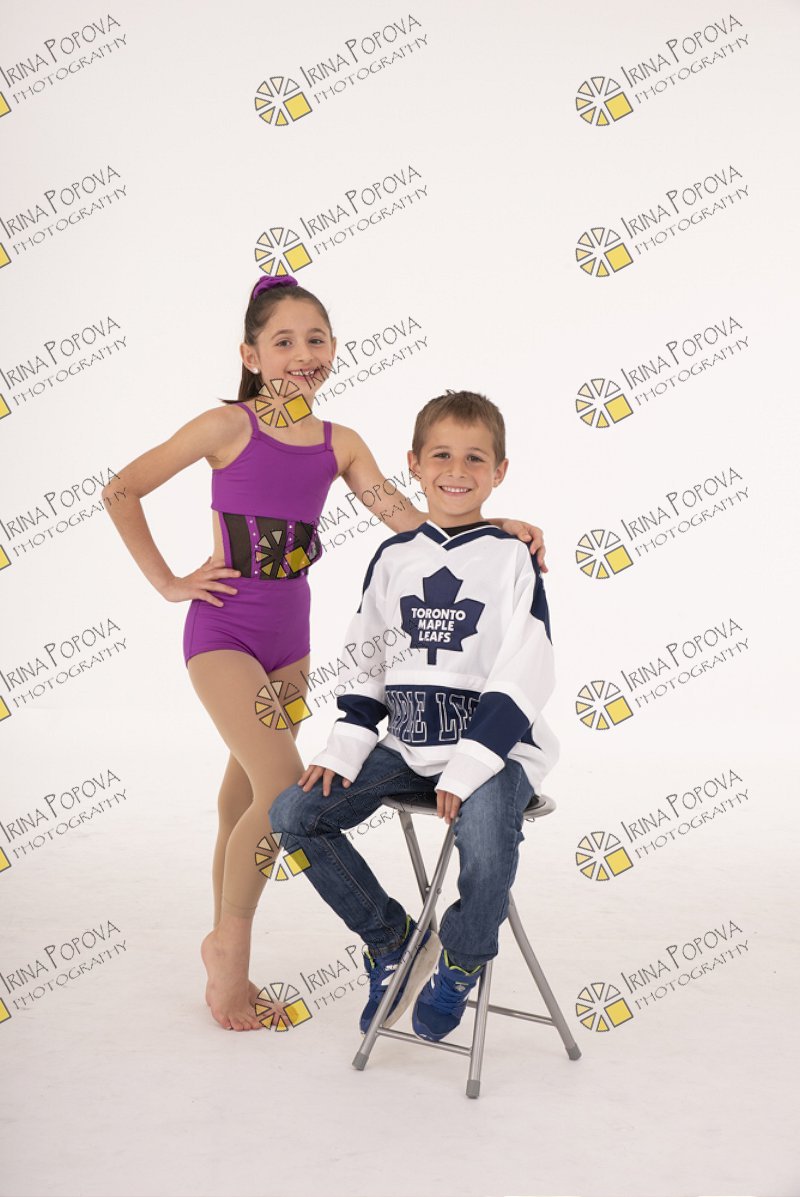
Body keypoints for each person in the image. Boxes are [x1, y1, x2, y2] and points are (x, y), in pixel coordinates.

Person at [102, 280, 548, 1031]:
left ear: (334, 348)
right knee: (281, 788)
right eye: (283, 341)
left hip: (290, 643)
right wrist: (169, 582)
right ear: (251, 355)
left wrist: (490, 525)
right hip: (222, 632)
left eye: (316, 339)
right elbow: (122, 490)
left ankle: (221, 941)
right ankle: (230, 959)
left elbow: (412, 521)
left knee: (241, 795)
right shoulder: (226, 425)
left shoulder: (341, 444)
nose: (302, 354)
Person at [270, 389, 558, 1043]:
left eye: (475, 458)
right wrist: (347, 742)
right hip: (406, 746)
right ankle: (393, 938)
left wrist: (472, 761)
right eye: (442, 456)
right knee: (294, 814)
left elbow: (528, 666)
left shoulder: (512, 556)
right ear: (414, 465)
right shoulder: (395, 557)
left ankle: (460, 960)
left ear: (499, 471)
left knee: (487, 840)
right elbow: (368, 653)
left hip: (494, 754)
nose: (457, 470)